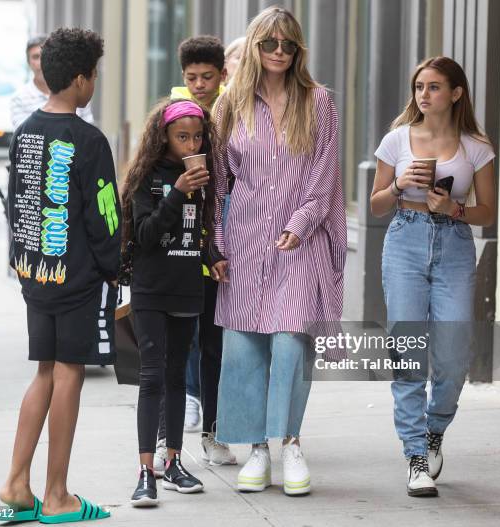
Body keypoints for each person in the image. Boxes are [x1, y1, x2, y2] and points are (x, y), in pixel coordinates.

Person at [210, 7, 347, 496]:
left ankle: (289, 441)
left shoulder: (319, 102)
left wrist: (302, 222)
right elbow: (219, 185)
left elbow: (325, 172)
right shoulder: (229, 106)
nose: (279, 54)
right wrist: (218, 244)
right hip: (244, 238)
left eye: (288, 46)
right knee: (245, 344)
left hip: (299, 239)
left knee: (291, 341)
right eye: (270, 45)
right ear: (254, 46)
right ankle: (256, 450)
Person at [0, 28, 119, 523]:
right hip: (77, 278)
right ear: (78, 79)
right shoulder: (89, 140)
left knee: (44, 371)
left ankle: (16, 484)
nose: (95, 82)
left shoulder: (26, 130)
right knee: (69, 374)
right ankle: (56, 495)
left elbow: (18, 200)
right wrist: (117, 267)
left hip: (36, 274)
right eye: (93, 75)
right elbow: (105, 215)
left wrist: (22, 261)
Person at [370, 56, 496, 497]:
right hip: (405, 239)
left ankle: (435, 427)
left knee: (454, 353)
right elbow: (376, 205)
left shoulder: (476, 146)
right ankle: (415, 455)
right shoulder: (396, 140)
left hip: (455, 246)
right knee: (408, 353)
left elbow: (489, 211)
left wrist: (453, 208)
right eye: (419, 87)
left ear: (456, 93)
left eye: (435, 87)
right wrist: (399, 185)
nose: (424, 95)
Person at [120, 98, 220, 506]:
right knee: (152, 378)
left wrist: (214, 259)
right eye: (183, 137)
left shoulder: (201, 178)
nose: (191, 143)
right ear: (164, 136)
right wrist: (177, 192)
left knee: (178, 376)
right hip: (150, 288)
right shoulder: (148, 177)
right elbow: (145, 233)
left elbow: (197, 235)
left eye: (197, 137)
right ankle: (146, 470)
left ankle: (175, 460)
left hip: (186, 288)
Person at [165, 35, 236, 469]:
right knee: (178, 344)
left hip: (218, 239)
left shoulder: (233, 112)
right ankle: (167, 438)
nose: (199, 85)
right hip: (179, 245)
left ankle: (213, 432)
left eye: (207, 77)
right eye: (191, 78)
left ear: (222, 75)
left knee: (213, 343)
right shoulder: (169, 116)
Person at [10, 35, 94, 129]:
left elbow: (88, 129)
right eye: (36, 57)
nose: (41, 62)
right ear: (29, 62)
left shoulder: (75, 90)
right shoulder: (19, 99)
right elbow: (23, 135)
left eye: (44, 56)